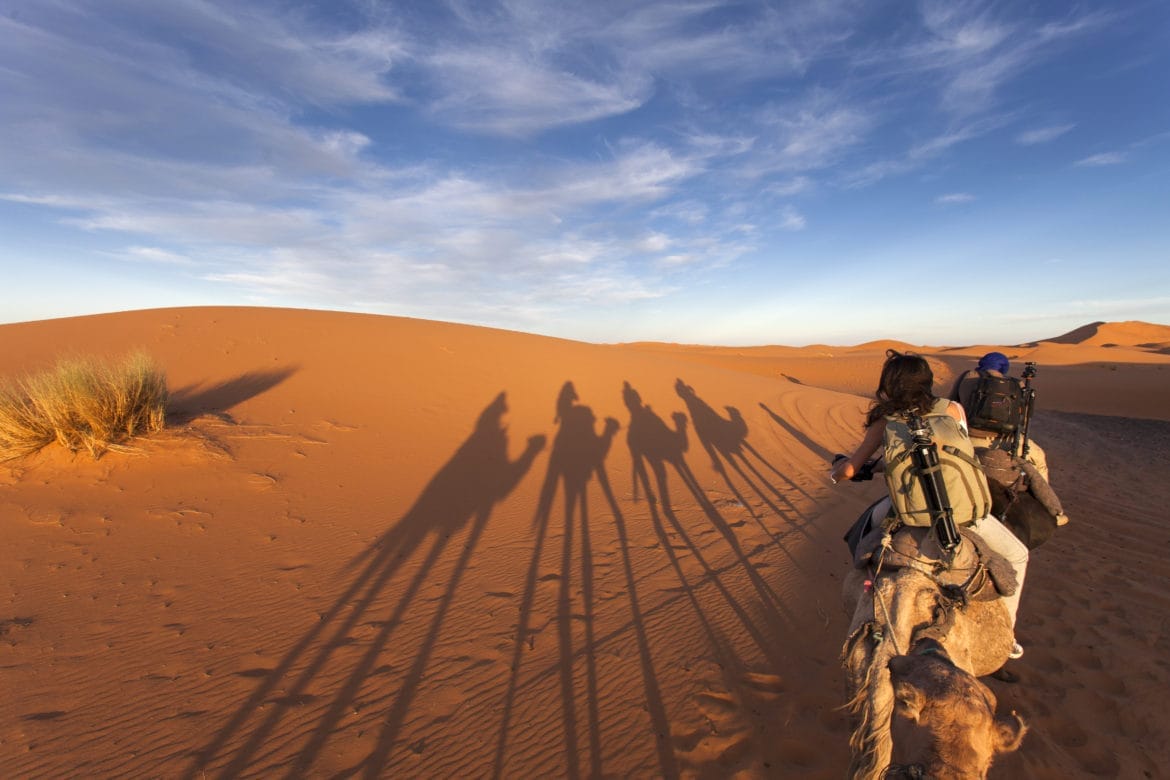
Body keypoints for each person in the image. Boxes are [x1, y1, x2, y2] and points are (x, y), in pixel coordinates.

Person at [832, 350, 1030, 656]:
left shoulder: (885, 420)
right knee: (1018, 555)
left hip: (909, 513)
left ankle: (866, 587)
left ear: (889, 383)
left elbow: (848, 470)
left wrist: (839, 470)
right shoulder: (953, 410)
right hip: (963, 515)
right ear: (927, 381)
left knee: (863, 533)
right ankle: (1008, 638)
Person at [949, 351, 1050, 482]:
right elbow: (1023, 419)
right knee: (1039, 460)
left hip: (969, 439)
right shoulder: (1017, 384)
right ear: (1004, 367)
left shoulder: (968, 377)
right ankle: (1046, 501)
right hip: (1007, 442)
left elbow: (951, 404)